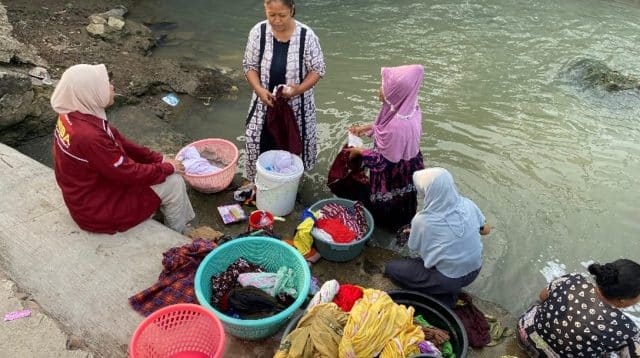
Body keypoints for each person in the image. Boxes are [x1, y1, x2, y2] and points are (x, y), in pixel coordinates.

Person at [51, 63, 195, 234]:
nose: (112, 87)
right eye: (105, 84)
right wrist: (168, 167)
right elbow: (128, 172)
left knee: (159, 171)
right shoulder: (89, 136)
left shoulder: (72, 116)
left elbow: (119, 141)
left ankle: (160, 212)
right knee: (174, 182)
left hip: (87, 196)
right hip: (98, 212)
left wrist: (158, 159)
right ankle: (178, 233)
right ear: (90, 93)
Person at [383, 167, 491, 307]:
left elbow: (415, 247)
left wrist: (416, 231)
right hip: (474, 270)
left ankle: (443, 297)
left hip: (449, 279)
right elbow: (485, 230)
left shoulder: (423, 220)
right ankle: (448, 289)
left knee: (392, 269)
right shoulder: (468, 204)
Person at [242, 0, 326, 181]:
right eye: (272, 15)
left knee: (292, 148)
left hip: (297, 106)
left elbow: (317, 70)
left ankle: (290, 184)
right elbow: (249, 66)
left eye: (282, 15)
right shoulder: (259, 32)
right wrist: (259, 90)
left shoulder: (306, 36)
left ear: (292, 11)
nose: (277, 20)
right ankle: (258, 183)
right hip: (264, 102)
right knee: (258, 142)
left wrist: (298, 90)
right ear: (265, 9)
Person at [348, 64, 425, 230]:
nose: (380, 89)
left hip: (393, 173)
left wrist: (359, 152)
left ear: (395, 93)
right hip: (409, 165)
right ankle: (404, 227)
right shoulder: (411, 107)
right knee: (405, 202)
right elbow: (385, 125)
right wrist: (365, 128)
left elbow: (382, 162)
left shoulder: (396, 127)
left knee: (388, 205)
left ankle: (386, 230)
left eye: (384, 87)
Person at [517, 259, 640, 357]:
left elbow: (542, 296)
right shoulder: (627, 330)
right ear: (623, 300)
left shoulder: (572, 279)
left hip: (525, 335)